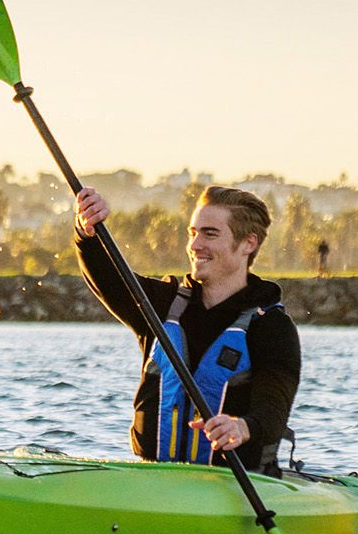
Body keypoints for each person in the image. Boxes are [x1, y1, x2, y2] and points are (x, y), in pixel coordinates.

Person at [73, 184, 300, 471]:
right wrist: (87, 232)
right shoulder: (161, 305)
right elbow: (108, 276)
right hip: (156, 477)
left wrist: (243, 427)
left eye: (210, 234)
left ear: (248, 243)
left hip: (238, 482)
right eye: (193, 233)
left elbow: (274, 409)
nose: (195, 245)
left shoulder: (271, 326)